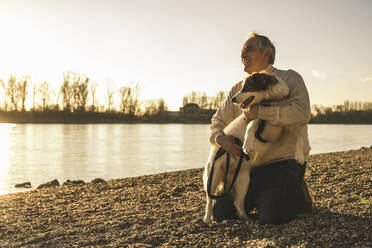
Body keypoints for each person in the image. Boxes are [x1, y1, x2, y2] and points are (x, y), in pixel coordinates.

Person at [209, 32, 312, 224]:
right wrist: (220, 139)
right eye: (241, 52)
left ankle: (297, 193)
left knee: (273, 217)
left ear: (267, 53)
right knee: (222, 213)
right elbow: (217, 122)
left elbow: (302, 113)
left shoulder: (289, 78)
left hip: (284, 162)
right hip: (247, 167)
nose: (243, 55)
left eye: (249, 49)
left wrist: (260, 113)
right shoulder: (237, 90)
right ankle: (262, 196)